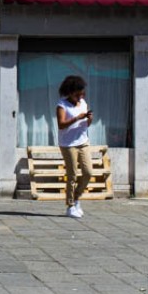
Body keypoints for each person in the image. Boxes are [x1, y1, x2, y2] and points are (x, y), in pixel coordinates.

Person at [56, 74, 93, 219]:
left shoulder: (83, 103)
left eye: (82, 93)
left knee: (88, 172)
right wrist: (78, 117)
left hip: (83, 141)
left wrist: (89, 119)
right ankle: (70, 205)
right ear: (70, 92)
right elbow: (61, 124)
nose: (80, 96)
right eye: (78, 94)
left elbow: (86, 124)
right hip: (68, 144)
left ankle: (77, 198)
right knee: (72, 175)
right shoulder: (62, 105)